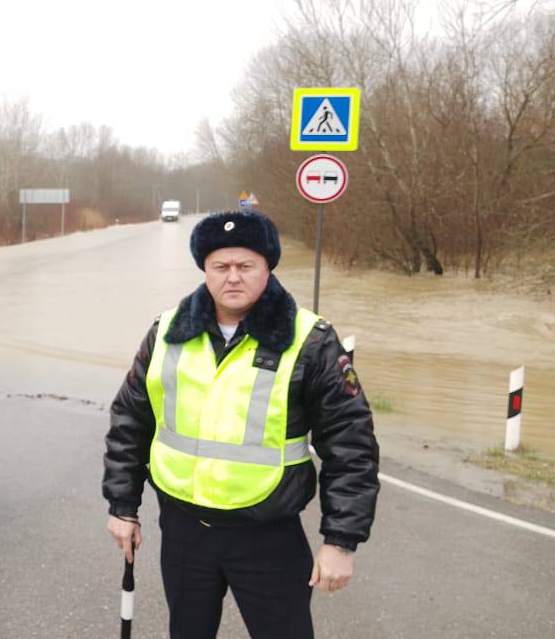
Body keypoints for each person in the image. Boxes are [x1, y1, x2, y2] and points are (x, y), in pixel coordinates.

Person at [102, 210, 379, 639]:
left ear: (267, 267)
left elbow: (351, 444)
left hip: (268, 536)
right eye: (221, 266)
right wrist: (123, 506)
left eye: (245, 266)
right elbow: (131, 421)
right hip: (184, 533)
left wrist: (340, 540)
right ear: (205, 270)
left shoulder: (310, 340)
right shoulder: (167, 331)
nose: (233, 277)